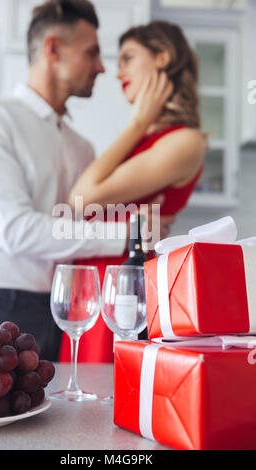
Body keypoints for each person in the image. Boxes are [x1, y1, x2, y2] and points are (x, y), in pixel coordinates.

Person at [0, 0, 174, 361]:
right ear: (53, 49)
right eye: (91, 53)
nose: (102, 67)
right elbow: (17, 230)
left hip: (63, 304)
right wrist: (127, 233)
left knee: (54, 415)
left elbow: (71, 227)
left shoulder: (81, 147)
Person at [58, 20, 206, 363]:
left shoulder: (184, 140)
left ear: (162, 57)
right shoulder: (143, 140)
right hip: (100, 277)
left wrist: (137, 123)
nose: (116, 71)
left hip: (126, 283)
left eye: (127, 58)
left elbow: (81, 200)